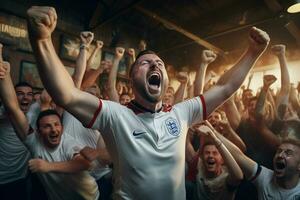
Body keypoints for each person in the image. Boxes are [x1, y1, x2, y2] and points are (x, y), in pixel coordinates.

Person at [27, 6, 270, 200]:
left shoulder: (181, 113)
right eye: (145, 63)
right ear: (132, 79)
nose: (155, 65)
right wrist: (42, 39)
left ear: (164, 80)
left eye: (160, 63)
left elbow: (225, 87)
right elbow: (66, 94)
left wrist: (252, 52)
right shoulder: (115, 115)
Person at [0, 60, 99, 200]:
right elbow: (13, 108)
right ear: (38, 132)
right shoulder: (33, 140)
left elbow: (83, 163)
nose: (53, 130)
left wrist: (48, 166)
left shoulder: (68, 142)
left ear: (62, 127)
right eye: (47, 126)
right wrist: (5, 74)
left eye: (56, 125)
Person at [205, 121, 300, 199]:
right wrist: (213, 133)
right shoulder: (265, 178)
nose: (280, 155)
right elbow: (239, 156)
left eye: (288, 153)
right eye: (279, 151)